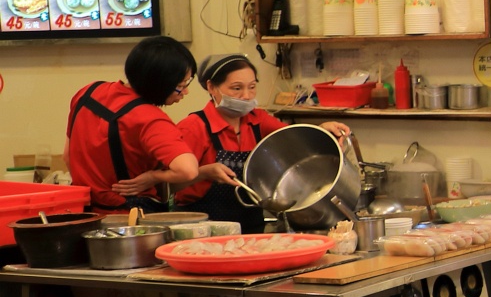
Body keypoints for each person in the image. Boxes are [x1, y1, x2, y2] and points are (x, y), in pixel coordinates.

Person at [176, 54, 353, 229]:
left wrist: (321, 129)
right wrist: (204, 173)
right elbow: (170, 186)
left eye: (252, 87)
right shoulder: (193, 128)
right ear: (211, 87)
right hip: (205, 228)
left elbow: (294, 137)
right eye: (237, 88)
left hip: (251, 226)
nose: (247, 96)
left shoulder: (257, 119)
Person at [65, 36, 200, 211]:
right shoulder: (151, 120)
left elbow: (67, 156)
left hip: (84, 212)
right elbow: (188, 170)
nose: (185, 92)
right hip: (130, 217)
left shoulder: (88, 93)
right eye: (181, 85)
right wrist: (153, 177)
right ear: (160, 83)